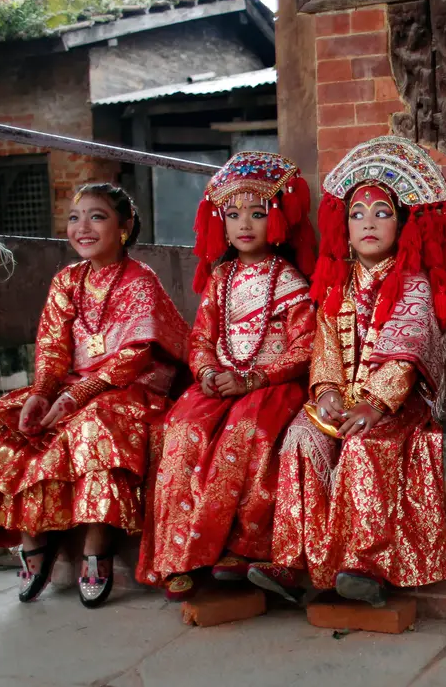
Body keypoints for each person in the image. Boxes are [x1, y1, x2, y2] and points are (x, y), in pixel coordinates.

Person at [0, 183, 188, 607]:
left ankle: (97, 543)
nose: (82, 228)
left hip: (128, 387)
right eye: (75, 218)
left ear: (124, 227)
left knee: (95, 426)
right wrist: (42, 393)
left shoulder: (139, 280)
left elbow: (135, 354)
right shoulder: (67, 280)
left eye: (97, 216)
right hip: (71, 384)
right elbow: (53, 347)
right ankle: (35, 538)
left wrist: (79, 396)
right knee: (7, 421)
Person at [247, 135, 446, 606]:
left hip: (397, 404)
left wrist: (375, 403)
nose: (368, 222)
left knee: (364, 445)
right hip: (343, 399)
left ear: (401, 224)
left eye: (382, 213)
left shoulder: (413, 283)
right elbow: (324, 347)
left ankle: (362, 566)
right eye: (357, 213)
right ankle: (291, 561)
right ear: (342, 227)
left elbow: (406, 352)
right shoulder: (336, 284)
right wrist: (325, 391)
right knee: (301, 437)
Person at [136, 152, 319, 601]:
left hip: (269, 385)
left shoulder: (291, 281)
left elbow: (304, 349)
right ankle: (176, 557)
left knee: (244, 434)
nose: (244, 225)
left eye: (257, 214)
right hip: (219, 382)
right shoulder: (221, 279)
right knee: (181, 429)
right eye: (233, 214)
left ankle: (239, 549)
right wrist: (207, 371)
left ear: (276, 221)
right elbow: (201, 337)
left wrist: (254, 379)